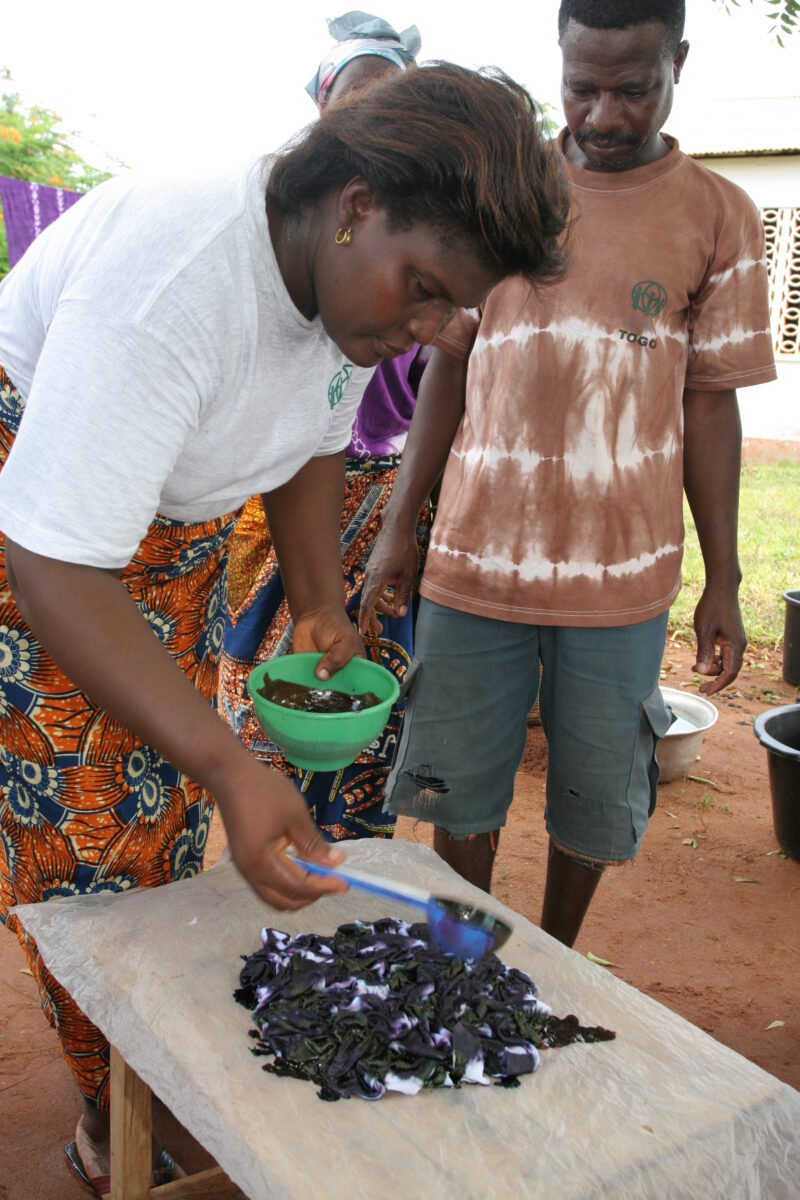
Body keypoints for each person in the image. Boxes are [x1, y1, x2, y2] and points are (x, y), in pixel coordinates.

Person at [0, 62, 569, 1191]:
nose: (423, 331)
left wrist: (315, 600)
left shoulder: (338, 279)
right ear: (356, 203)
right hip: (41, 533)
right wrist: (229, 763)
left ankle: (135, 1077)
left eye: (448, 310)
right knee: (86, 859)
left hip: (163, 536)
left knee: (159, 829)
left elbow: (311, 433)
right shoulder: (171, 286)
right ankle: (113, 1115)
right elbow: (55, 559)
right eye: (421, 291)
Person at [360, 0, 776, 950]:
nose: (603, 115)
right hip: (475, 560)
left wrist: (723, 577)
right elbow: (448, 366)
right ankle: (468, 956)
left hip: (622, 578)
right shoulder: (503, 188)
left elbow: (711, 406)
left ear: (678, 62)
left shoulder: (720, 214)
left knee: (594, 797)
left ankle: (555, 959)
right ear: (559, 58)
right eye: (581, 87)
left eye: (633, 90)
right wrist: (398, 526)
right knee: (458, 783)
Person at [219, 11, 432, 842]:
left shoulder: (406, 261)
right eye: (357, 97)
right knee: (263, 664)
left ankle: (348, 836)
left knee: (358, 664)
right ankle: (259, 798)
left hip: (374, 493)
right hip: (272, 489)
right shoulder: (276, 244)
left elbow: (335, 428)